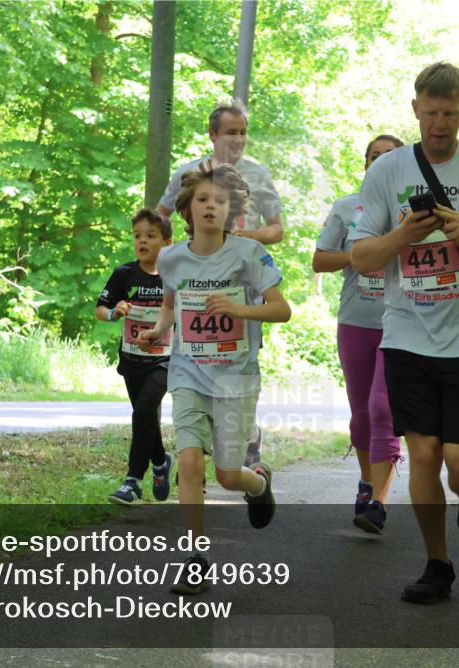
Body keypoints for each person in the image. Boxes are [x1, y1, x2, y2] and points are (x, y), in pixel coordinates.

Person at [349, 62, 459, 603]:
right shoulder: (386, 172)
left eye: (449, 113)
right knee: (424, 457)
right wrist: (404, 233)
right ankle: (437, 565)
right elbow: (361, 258)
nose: (439, 124)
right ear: (415, 110)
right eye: (430, 113)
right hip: (406, 335)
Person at [139, 162, 291, 594]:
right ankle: (194, 558)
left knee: (227, 475)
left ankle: (258, 485)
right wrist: (159, 329)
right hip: (187, 371)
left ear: (232, 210)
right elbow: (172, 304)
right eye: (203, 200)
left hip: (235, 377)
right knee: (188, 460)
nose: (210, 207)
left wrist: (239, 309)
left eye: (220, 201)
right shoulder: (170, 257)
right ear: (187, 208)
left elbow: (282, 309)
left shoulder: (249, 254)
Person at [158, 98, 284, 467]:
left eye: (244, 132)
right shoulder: (188, 172)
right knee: (195, 354)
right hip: (197, 279)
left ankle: (245, 435)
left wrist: (240, 236)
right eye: (231, 132)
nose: (239, 139)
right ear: (213, 134)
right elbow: (161, 216)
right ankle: (193, 453)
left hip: (242, 282)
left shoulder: (258, 175)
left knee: (235, 357)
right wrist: (183, 256)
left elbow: (277, 231)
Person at [313, 133, 404, 532]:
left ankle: (379, 503)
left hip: (402, 323)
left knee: (385, 407)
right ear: (365, 164)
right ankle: (367, 483)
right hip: (355, 322)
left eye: (390, 157)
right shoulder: (347, 208)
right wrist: (360, 255)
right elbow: (319, 261)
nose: (380, 162)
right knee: (361, 413)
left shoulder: (412, 212)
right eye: (374, 156)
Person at [95, 208, 174, 504]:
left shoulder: (173, 277)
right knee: (146, 418)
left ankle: (132, 481)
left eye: (150, 236)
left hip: (164, 358)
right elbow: (101, 310)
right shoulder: (123, 274)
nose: (142, 241)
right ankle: (160, 460)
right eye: (137, 236)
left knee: (142, 412)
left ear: (166, 243)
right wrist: (115, 312)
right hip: (131, 360)